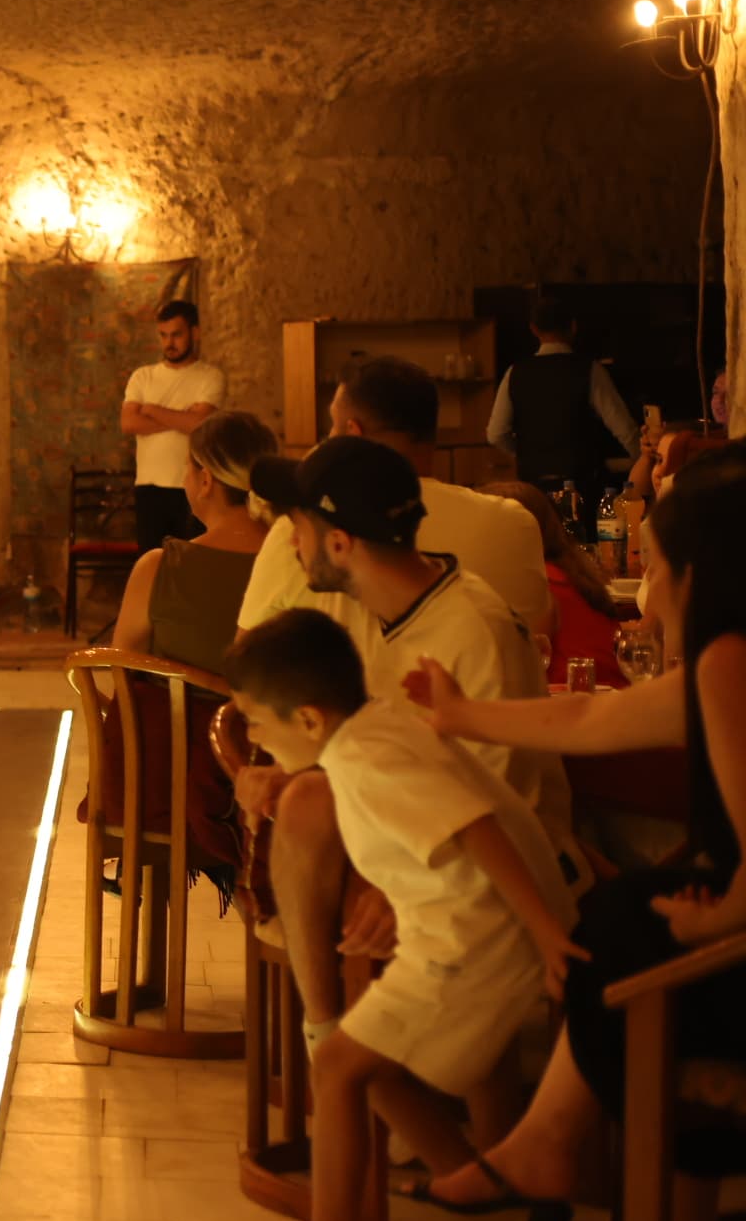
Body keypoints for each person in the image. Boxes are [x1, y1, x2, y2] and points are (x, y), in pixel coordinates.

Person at [404, 447, 746, 1221]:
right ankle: (568, 1164)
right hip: (720, 930)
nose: (649, 592)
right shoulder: (723, 663)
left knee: (614, 930)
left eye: (658, 569)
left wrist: (724, 914)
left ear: (705, 574)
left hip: (730, 951)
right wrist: (460, 714)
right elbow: (595, 713)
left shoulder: (728, 661)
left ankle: (551, 1149)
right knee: (616, 916)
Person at [215, 610, 580, 1221]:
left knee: (339, 1066)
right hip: (472, 932)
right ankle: (491, 1211)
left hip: (475, 944)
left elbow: (474, 827)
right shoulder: (375, 726)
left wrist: (547, 933)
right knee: (355, 1059)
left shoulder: (366, 759)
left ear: (312, 720)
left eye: (258, 722)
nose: (255, 739)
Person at [235, 437, 582, 1066]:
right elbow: (364, 750)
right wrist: (289, 775)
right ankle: (335, 1045)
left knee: (313, 807)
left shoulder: (470, 627)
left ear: (339, 542)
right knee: (306, 798)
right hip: (412, 831)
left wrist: (391, 886)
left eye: (298, 525)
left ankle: (361, 1070)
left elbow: (488, 804)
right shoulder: (356, 606)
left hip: (497, 859)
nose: (289, 541)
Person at [239, 355, 551, 636]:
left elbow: (246, 665)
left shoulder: (312, 526)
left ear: (353, 434)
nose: (327, 441)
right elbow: (540, 642)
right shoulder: (517, 522)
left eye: (332, 430)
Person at [108, 408, 278, 676]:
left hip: (179, 718)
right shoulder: (299, 563)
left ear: (206, 480)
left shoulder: (158, 568)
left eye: (186, 467)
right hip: (270, 718)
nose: (184, 478)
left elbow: (123, 675)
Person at [486, 292, 638, 504]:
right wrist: (640, 461)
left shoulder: (515, 372)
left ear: (534, 329)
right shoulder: (589, 370)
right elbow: (624, 427)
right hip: (583, 481)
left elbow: (495, 434)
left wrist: (525, 454)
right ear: (573, 327)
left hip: (533, 483)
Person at [481, 480, 625, 688]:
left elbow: (520, 661)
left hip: (572, 701)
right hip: (607, 698)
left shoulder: (536, 582)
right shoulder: (571, 572)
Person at [119, 299, 225, 555]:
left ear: (195, 333)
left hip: (193, 490)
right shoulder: (142, 376)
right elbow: (129, 422)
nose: (169, 343)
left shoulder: (210, 376)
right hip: (149, 489)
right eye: (164, 335)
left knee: (191, 568)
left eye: (176, 334)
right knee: (152, 568)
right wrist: (181, 418)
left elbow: (199, 424)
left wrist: (152, 410)